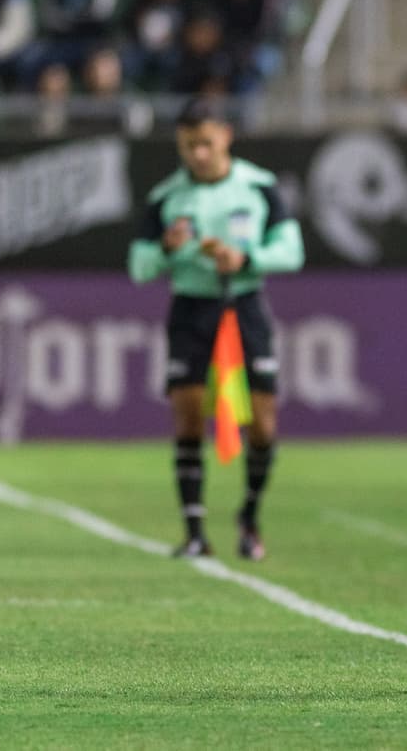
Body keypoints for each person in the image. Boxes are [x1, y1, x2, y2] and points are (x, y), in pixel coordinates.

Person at [128, 102, 304, 560]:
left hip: (244, 304)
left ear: (225, 136)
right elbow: (139, 266)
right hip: (191, 308)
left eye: (206, 143)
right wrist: (169, 251)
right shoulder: (168, 197)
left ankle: (249, 517)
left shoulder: (259, 187)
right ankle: (194, 532)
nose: (199, 154)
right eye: (189, 146)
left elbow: (292, 250)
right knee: (187, 413)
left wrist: (245, 260)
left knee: (263, 420)